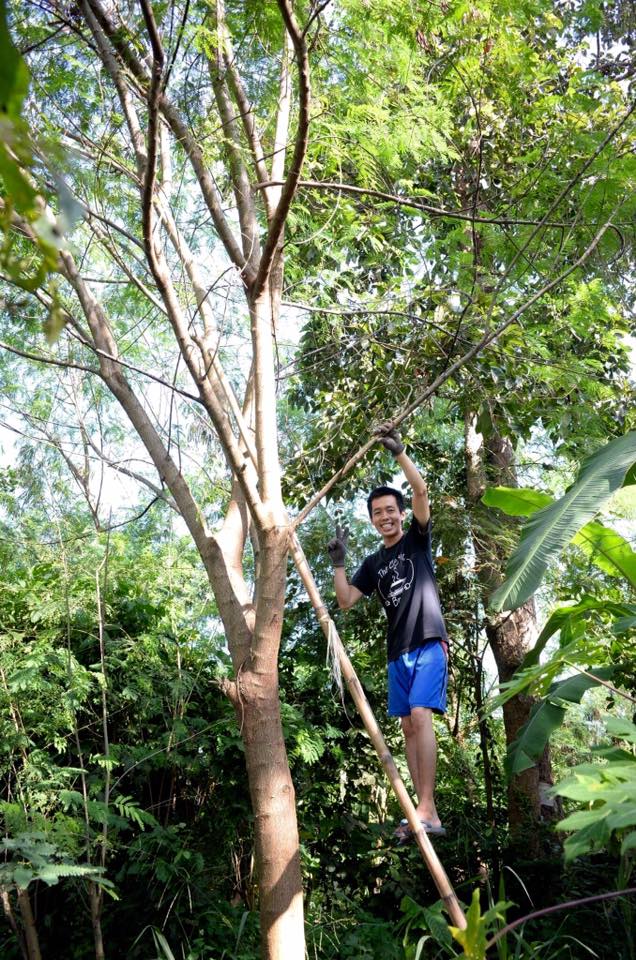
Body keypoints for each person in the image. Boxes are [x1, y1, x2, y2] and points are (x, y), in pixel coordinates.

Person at [327, 423, 448, 840]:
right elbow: (346, 600)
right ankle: (425, 811)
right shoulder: (373, 564)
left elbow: (421, 492)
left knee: (421, 715)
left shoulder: (416, 540)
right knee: (409, 727)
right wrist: (339, 564)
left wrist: (399, 452)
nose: (385, 517)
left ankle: (427, 808)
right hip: (397, 652)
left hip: (428, 641)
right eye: (377, 513)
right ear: (373, 520)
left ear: (400, 513)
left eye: (390, 510)